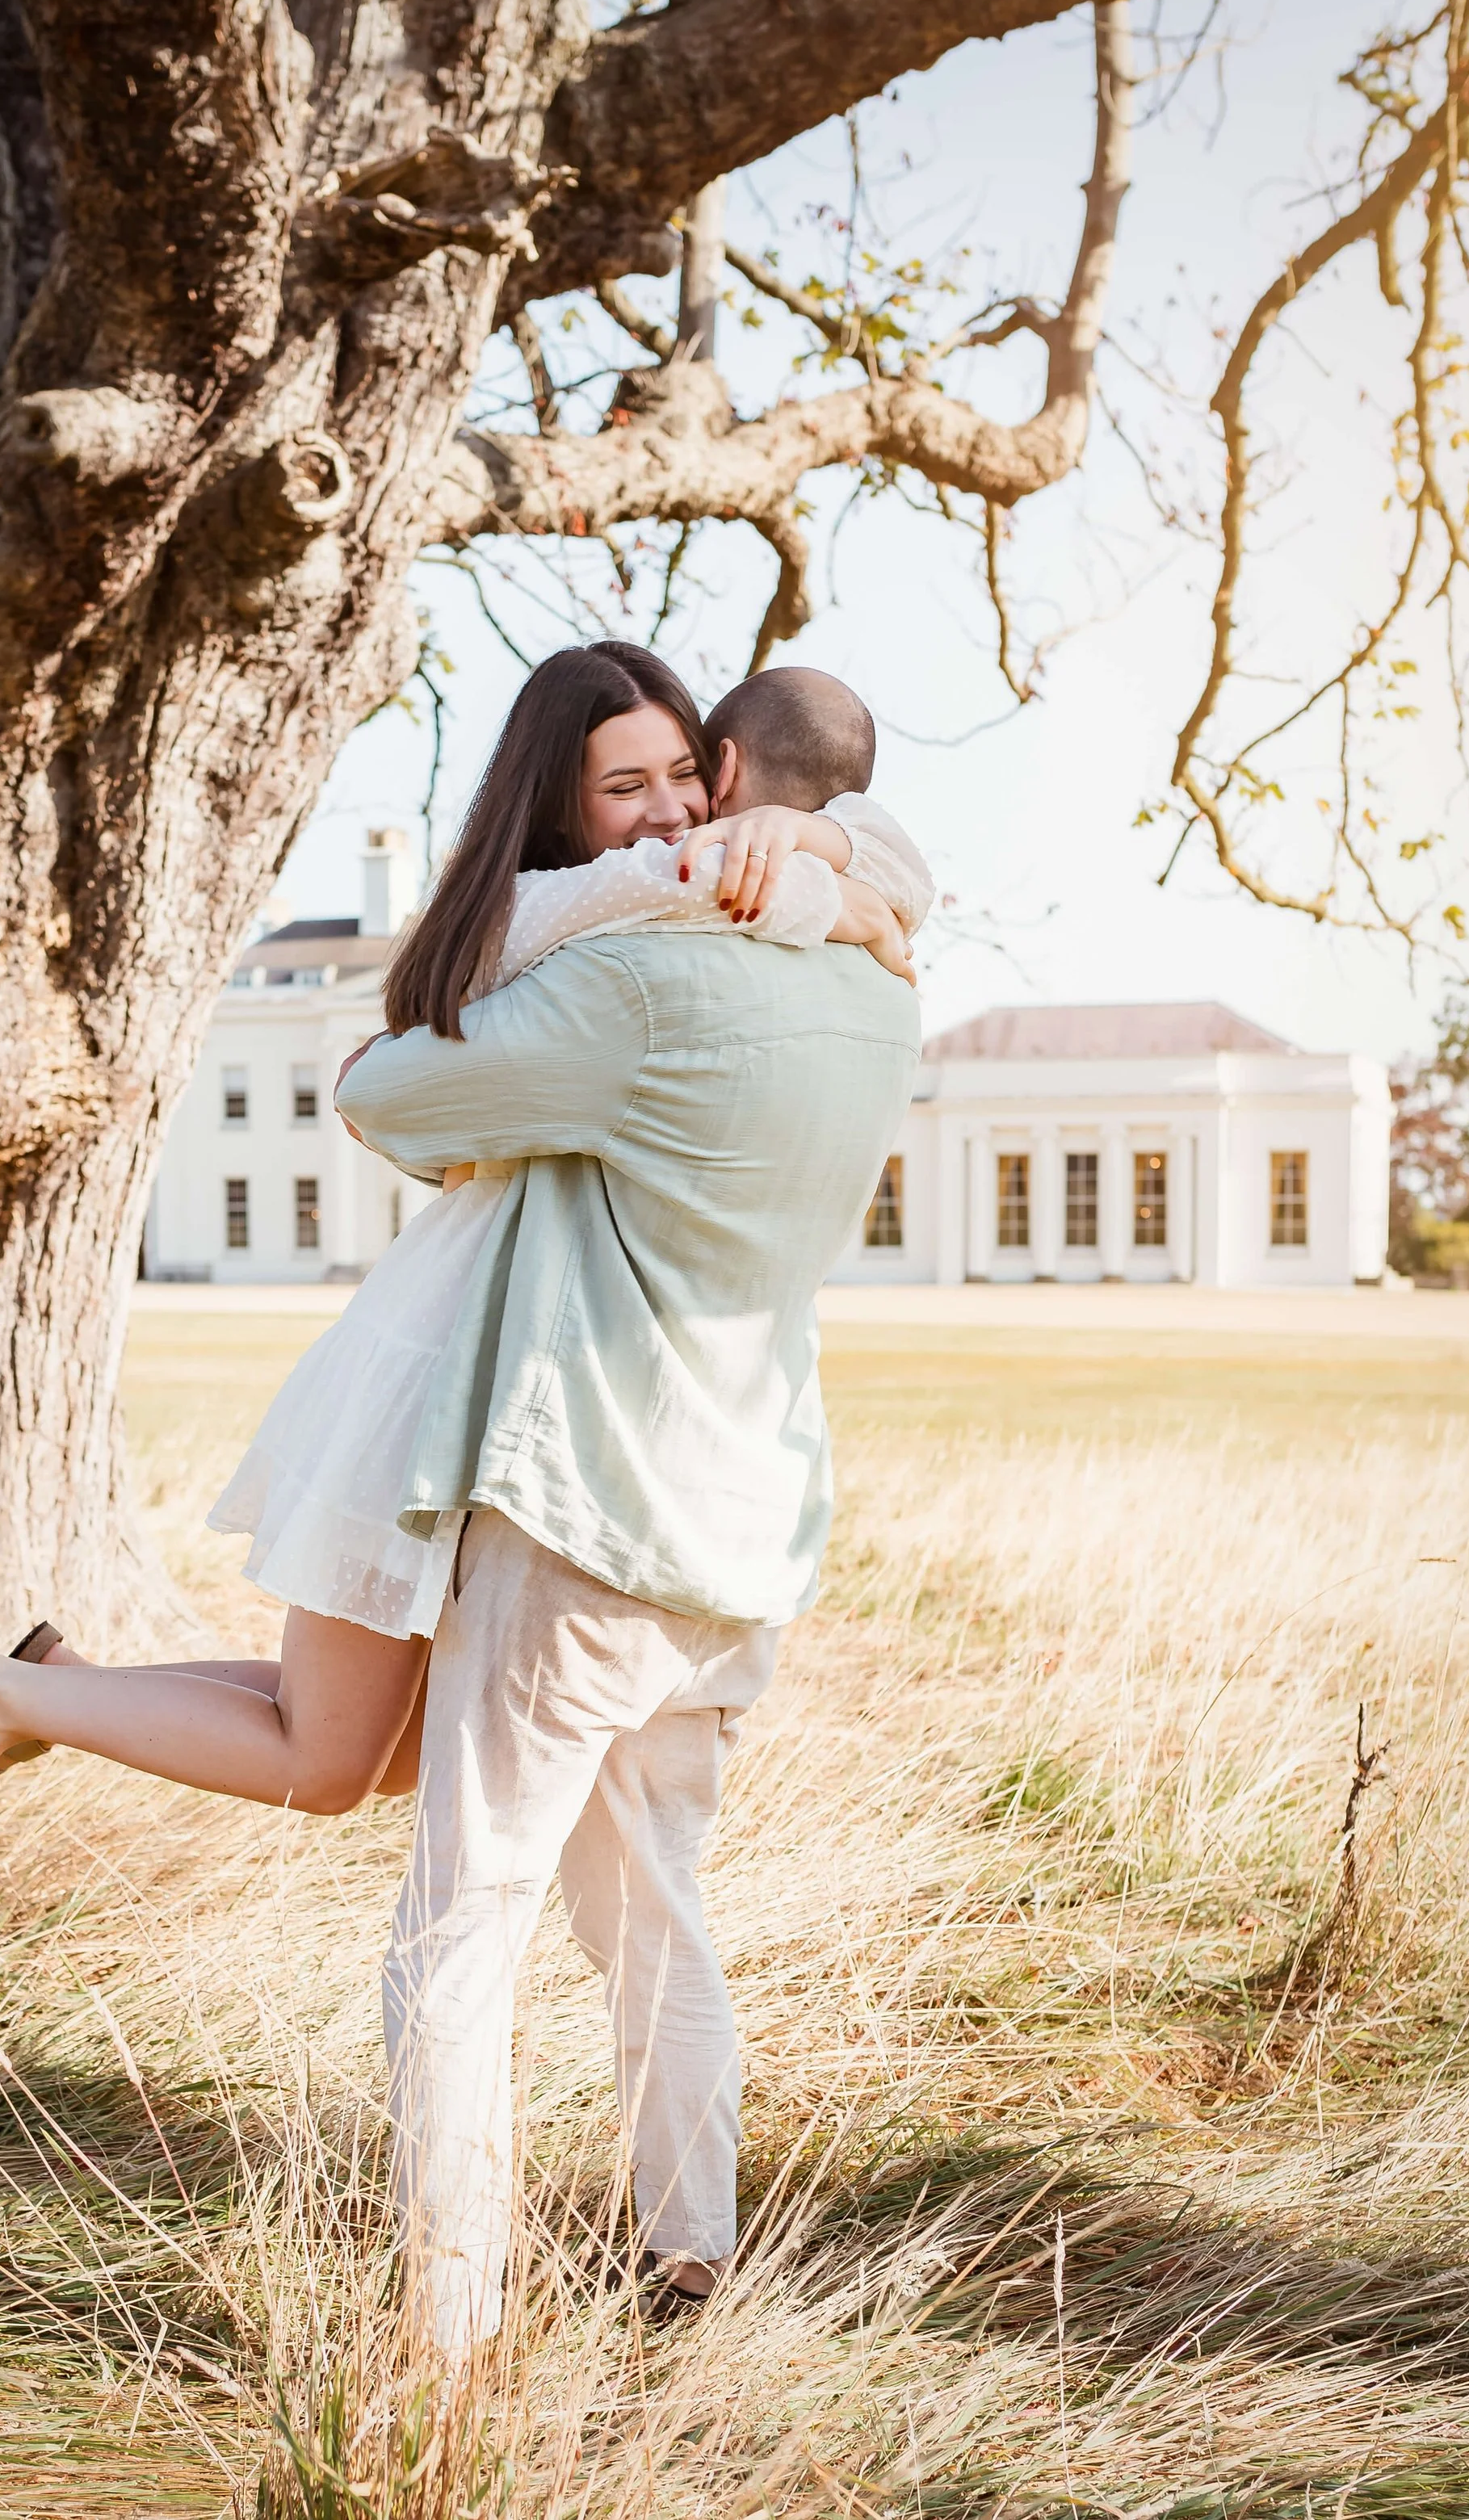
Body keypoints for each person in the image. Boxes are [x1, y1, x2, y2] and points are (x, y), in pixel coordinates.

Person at [0, 644, 930, 1878]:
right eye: (624, 787)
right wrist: (841, 891)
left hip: (489, 1382)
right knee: (327, 1762)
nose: (672, 815)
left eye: (685, 774)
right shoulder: (590, 905)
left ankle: (48, 1685)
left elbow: (866, 854)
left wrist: (832, 860)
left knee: (390, 1749)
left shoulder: (622, 910)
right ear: (564, 805)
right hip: (424, 1382)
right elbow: (732, 881)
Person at [334, 686, 921, 2351]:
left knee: (465, 1917)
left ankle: (445, 2327)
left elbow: (385, 1097)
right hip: (747, 1522)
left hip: (589, 1512)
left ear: (723, 783)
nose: (663, 816)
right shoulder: (883, 982)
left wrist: (599, 909)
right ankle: (688, 2245)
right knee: (651, 1903)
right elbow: (885, 870)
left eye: (683, 786)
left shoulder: (635, 982)